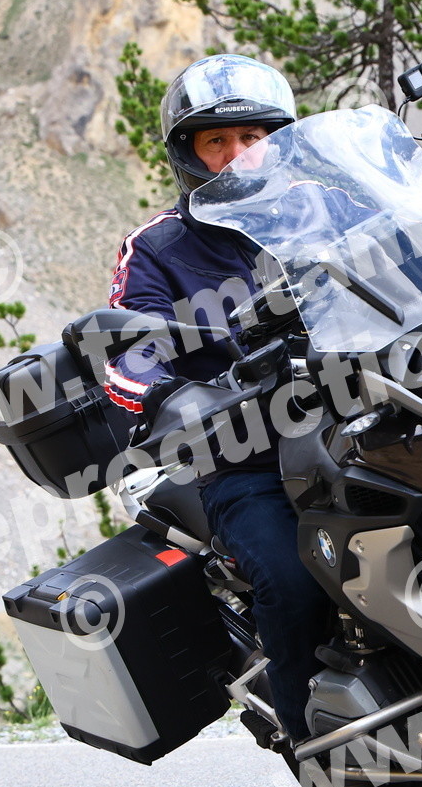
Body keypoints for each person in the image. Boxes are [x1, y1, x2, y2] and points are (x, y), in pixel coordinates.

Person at [104, 54, 326, 744]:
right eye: (216, 140)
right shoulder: (157, 248)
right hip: (249, 453)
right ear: (188, 152)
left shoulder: (323, 208)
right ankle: (317, 739)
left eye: (252, 136)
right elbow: (128, 353)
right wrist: (172, 396)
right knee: (291, 577)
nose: (237, 154)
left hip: (367, 411)